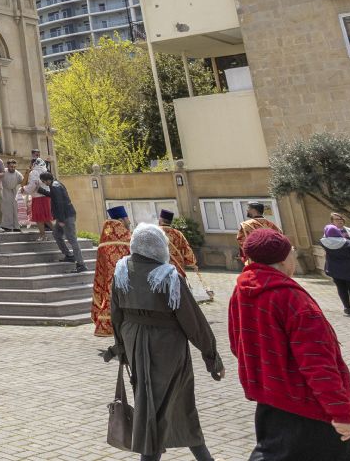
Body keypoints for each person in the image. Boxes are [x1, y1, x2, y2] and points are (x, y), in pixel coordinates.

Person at [227, 228, 350, 460]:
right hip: (309, 407)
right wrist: (340, 411)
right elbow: (317, 362)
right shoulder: (291, 299)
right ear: (282, 259)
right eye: (291, 251)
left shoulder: (242, 291)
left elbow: (236, 344)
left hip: (271, 401)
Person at [108, 223, 224, 461]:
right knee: (167, 404)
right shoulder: (169, 276)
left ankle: (202, 456)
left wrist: (121, 349)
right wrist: (212, 357)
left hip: (135, 344)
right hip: (166, 349)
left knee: (160, 403)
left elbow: (115, 315)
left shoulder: (121, 270)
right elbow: (194, 323)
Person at [92, 206, 133, 337]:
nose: (130, 222)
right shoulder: (128, 239)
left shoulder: (105, 239)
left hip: (109, 283)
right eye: (127, 219)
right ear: (121, 219)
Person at [320, 224, 350, 318]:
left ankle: (347, 308)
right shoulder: (347, 243)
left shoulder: (323, 243)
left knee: (341, 288)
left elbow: (324, 238)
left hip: (334, 270)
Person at [39, 172, 84, 271]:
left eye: (43, 181)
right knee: (56, 234)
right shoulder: (56, 184)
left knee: (72, 239)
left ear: (47, 180)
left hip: (66, 217)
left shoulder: (55, 186)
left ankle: (81, 264)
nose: (44, 183)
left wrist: (61, 219)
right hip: (63, 216)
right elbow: (54, 196)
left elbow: (59, 204)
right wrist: (41, 190)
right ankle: (68, 255)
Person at [158, 209, 198, 277]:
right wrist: (192, 264)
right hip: (176, 269)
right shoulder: (178, 233)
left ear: (161, 219)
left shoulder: (154, 231)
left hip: (159, 268)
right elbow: (186, 249)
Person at [26, 152, 52, 238]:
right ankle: (58, 234)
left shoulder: (34, 172)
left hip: (38, 198)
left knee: (40, 218)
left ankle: (43, 235)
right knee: (46, 218)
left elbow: (33, 185)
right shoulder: (45, 170)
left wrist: (24, 189)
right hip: (46, 197)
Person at [0, 158, 23, 232]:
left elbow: (23, 181)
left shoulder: (17, 173)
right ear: (8, 166)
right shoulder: (4, 172)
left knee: (16, 209)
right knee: (6, 209)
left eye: (14, 167)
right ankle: (6, 226)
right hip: (4, 191)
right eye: (11, 167)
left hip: (14, 192)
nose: (12, 168)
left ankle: (16, 226)